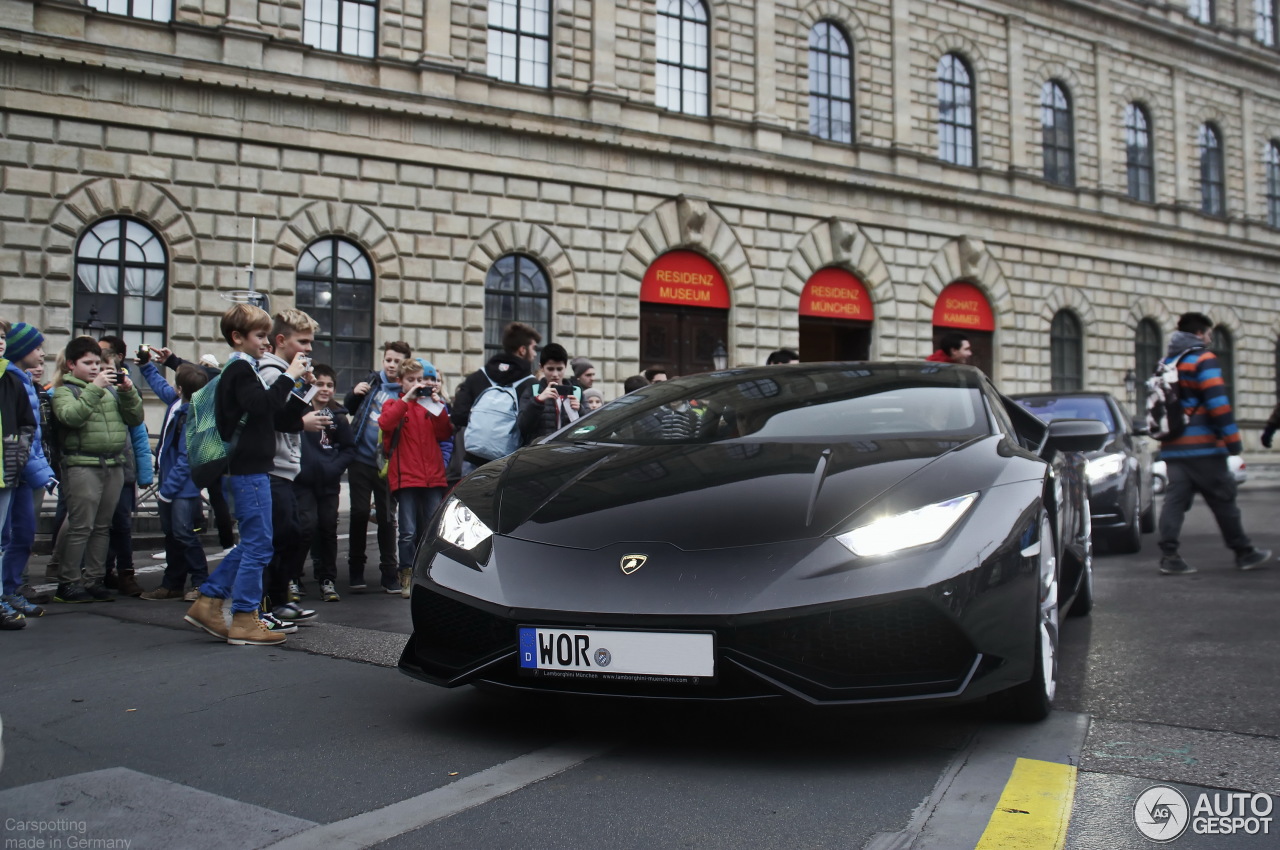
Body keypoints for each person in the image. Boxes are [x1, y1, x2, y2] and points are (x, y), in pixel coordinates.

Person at [183, 303, 308, 646]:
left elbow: (273, 415)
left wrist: (299, 391)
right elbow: (262, 406)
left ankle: (209, 601)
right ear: (238, 337)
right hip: (248, 470)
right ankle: (244, 617)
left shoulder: (244, 369)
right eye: (260, 336)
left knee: (257, 543)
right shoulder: (240, 369)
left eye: (267, 335)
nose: (266, 342)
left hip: (252, 469)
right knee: (258, 546)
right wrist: (288, 376)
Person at [1155, 312, 1270, 575]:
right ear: (1199, 334)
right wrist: (1232, 442)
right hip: (1205, 446)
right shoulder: (1203, 359)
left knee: (1174, 501)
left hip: (1173, 446)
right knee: (1223, 498)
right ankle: (1244, 552)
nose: (1210, 339)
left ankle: (1169, 555)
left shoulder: (1166, 362)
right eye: (1209, 334)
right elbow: (1217, 402)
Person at [50, 336, 146, 602]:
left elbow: (135, 418)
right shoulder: (65, 391)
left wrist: (128, 392)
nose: (94, 368)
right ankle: (68, 581)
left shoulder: (111, 390)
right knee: (82, 525)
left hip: (113, 464)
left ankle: (94, 579)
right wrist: (94, 388)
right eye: (87, 363)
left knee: (103, 526)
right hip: (82, 464)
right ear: (71, 365)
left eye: (97, 363)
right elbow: (71, 417)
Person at [257, 309, 325, 629]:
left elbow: (292, 411)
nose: (309, 349)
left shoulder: (285, 371)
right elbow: (281, 418)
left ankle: (281, 600)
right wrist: (302, 422)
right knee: (279, 538)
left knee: (291, 535)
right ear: (281, 341)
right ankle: (270, 603)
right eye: (303, 342)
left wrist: (307, 387)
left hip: (284, 468)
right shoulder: (272, 372)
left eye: (311, 342)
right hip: (272, 467)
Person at [378, 358, 453, 598]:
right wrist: (406, 399)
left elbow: (445, 432)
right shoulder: (395, 404)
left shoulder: (430, 407)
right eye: (411, 380)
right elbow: (385, 423)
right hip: (407, 477)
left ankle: (429, 573)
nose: (416, 384)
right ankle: (406, 572)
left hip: (432, 476)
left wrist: (438, 406)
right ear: (401, 382)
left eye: (419, 380)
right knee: (407, 531)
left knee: (432, 528)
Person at [137, 360, 210, 601]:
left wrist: (167, 490)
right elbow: (161, 387)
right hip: (176, 485)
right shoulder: (181, 407)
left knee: (183, 534)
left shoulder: (189, 415)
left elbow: (185, 457)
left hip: (180, 488)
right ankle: (173, 583)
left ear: (180, 389)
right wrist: (147, 367)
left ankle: (200, 582)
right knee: (175, 536)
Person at [343, 340, 411, 593]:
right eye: (388, 360)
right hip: (360, 459)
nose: (392, 365)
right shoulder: (372, 383)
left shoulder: (405, 391)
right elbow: (348, 409)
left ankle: (388, 573)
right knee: (360, 513)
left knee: (386, 517)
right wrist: (353, 393)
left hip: (387, 464)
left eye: (397, 361)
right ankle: (355, 571)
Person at [1, 322, 57, 620]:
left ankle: (10, 590)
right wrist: (41, 472)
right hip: (13, 470)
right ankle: (5, 592)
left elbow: (31, 435)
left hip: (22, 470)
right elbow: (24, 434)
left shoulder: (22, 379)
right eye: (37, 348)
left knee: (21, 535)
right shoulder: (13, 379)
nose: (42, 354)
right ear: (22, 350)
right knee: (8, 536)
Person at [289, 363, 355, 603]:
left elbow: (348, 449)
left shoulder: (338, 417)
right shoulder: (300, 413)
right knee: (305, 527)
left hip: (328, 483)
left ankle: (327, 579)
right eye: (319, 384)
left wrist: (334, 467)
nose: (325, 389)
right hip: (303, 482)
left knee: (327, 529)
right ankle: (292, 577)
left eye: (329, 385)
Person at [97, 335, 154, 598]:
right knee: (99, 525)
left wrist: (144, 472)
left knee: (121, 523)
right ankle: (102, 572)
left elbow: (139, 434)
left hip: (123, 467)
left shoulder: (127, 390)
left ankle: (126, 573)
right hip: (97, 467)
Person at [451, 322, 540, 476]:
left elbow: (458, 415)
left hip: (472, 459)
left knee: (469, 500)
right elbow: (531, 426)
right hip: (506, 465)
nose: (535, 354)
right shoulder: (531, 384)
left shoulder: (478, 376)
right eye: (533, 348)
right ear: (522, 350)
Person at [0, 321, 40, 628]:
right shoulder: (13, 377)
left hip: (9, 472)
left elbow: (27, 426)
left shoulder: (11, 379)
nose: (0, 342)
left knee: (14, 536)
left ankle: (5, 594)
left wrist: (18, 457)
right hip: (13, 472)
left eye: (2, 338)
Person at [519, 343, 582, 444]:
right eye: (550, 369)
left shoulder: (577, 392)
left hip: (569, 452)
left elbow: (591, 427)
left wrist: (580, 410)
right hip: (539, 453)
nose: (555, 374)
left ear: (565, 367)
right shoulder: (533, 390)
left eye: (559, 369)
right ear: (541, 367)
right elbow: (522, 426)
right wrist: (538, 401)